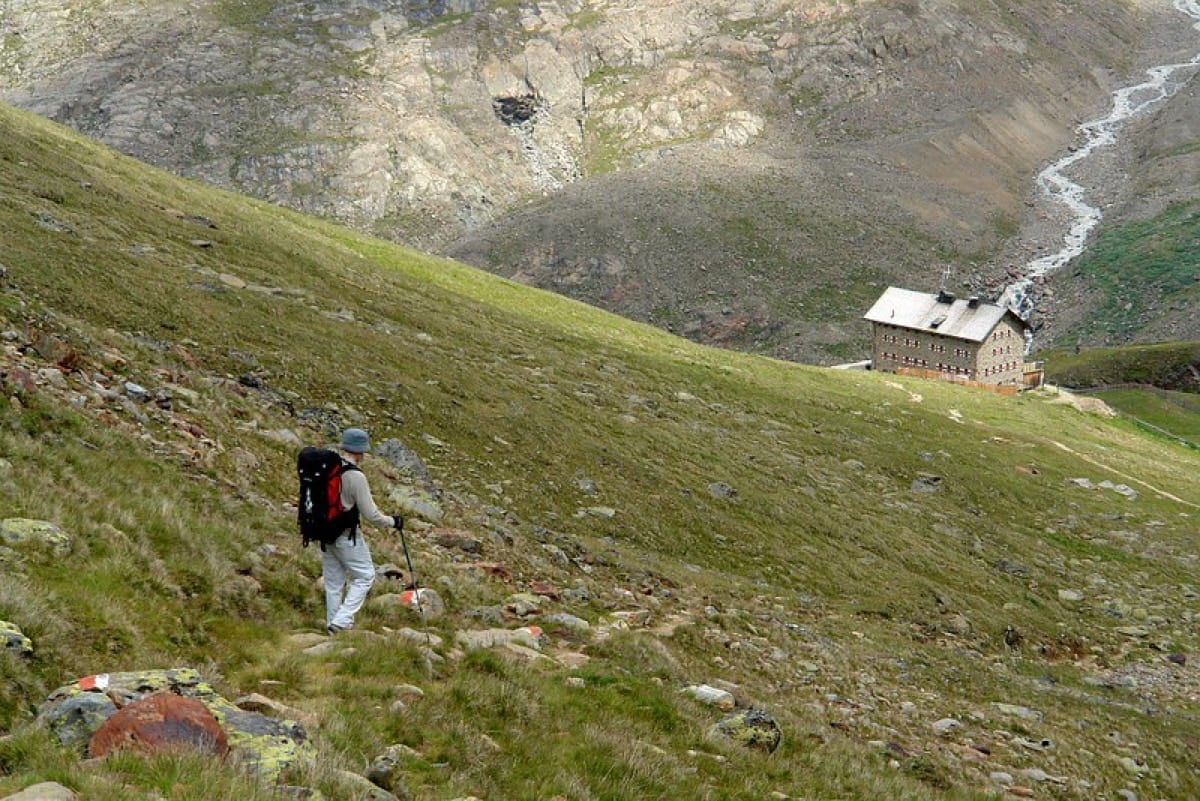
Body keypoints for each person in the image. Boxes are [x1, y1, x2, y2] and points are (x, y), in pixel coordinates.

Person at [323, 427, 402, 635]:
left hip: (324, 532)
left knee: (333, 582)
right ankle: (341, 621)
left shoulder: (328, 467)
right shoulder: (355, 476)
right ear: (359, 451)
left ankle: (333, 626)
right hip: (346, 534)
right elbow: (371, 514)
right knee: (366, 576)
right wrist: (393, 522)